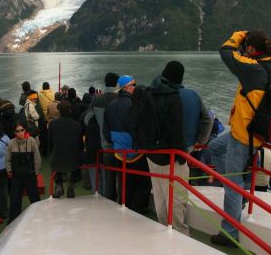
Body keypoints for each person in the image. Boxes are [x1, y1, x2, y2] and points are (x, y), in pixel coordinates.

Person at [210, 30, 271, 247]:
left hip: (244, 135)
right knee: (214, 148)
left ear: (251, 48)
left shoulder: (253, 68)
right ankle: (237, 194)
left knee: (232, 182)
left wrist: (240, 34)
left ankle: (230, 233)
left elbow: (225, 51)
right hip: (256, 131)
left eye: (247, 47)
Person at [145, 61, 211, 234]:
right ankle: (179, 232)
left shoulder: (152, 93)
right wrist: (199, 142)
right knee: (177, 196)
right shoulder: (192, 96)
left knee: (159, 194)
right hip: (180, 153)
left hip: (153, 153)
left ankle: (162, 226)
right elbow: (207, 119)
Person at [104, 75, 152, 214]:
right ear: (126, 88)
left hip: (119, 152)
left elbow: (106, 131)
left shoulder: (111, 106)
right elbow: (140, 129)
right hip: (136, 151)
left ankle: (125, 207)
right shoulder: (135, 105)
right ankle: (136, 210)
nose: (136, 87)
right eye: (134, 84)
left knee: (126, 182)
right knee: (144, 181)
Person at [84, 72, 119, 199]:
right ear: (117, 84)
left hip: (102, 143)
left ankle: (103, 198)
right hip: (120, 145)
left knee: (106, 174)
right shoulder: (120, 98)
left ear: (105, 83)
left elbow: (87, 119)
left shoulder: (97, 99)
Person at [6, 122, 41, 223]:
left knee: (35, 199)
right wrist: (9, 171)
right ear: (14, 132)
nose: (20, 133)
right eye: (17, 131)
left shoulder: (31, 141)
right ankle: (13, 221)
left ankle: (39, 217)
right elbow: (8, 159)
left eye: (22, 130)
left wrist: (36, 172)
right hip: (16, 177)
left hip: (30, 175)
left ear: (25, 130)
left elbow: (37, 158)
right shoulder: (11, 143)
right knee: (15, 201)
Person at [48, 100, 84, 198]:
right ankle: (72, 183)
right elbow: (80, 145)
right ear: (70, 111)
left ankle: (59, 184)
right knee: (78, 156)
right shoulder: (77, 125)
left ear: (59, 111)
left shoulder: (53, 124)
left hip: (57, 161)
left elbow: (50, 144)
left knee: (54, 156)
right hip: (74, 162)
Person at [38, 82, 54, 157]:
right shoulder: (53, 93)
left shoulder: (40, 94)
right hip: (52, 116)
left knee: (45, 134)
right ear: (49, 87)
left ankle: (45, 150)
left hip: (45, 117)